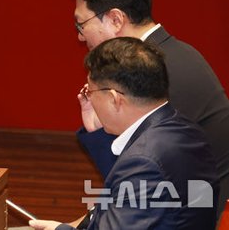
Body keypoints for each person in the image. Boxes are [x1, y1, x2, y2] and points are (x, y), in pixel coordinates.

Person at [70, 0, 229, 219]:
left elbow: (137, 187)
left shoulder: (155, 73)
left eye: (82, 24)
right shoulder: (172, 54)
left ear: (116, 19)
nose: (80, 35)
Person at [29, 37, 219, 229]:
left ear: (114, 98)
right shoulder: (187, 131)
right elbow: (124, 194)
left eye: (90, 92)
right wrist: (99, 132)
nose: (89, 100)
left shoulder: (144, 162)